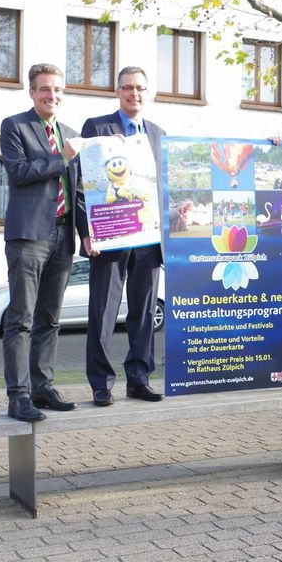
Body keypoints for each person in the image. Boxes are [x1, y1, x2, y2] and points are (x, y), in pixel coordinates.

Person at [0, 63, 84, 421]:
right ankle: (18, 396)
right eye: (45, 89)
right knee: (21, 319)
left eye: (58, 90)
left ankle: (42, 387)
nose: (52, 96)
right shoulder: (15, 127)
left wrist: (88, 234)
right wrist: (60, 157)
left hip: (63, 234)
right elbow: (19, 173)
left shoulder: (70, 133)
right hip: (29, 236)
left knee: (50, 319)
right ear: (32, 92)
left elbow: (78, 190)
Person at [79, 66, 165, 406]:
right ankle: (101, 383)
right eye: (128, 88)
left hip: (148, 236)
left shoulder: (158, 133)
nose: (135, 94)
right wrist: (86, 233)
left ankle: (139, 378)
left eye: (140, 88)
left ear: (148, 92)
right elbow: (82, 183)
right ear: (118, 91)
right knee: (102, 311)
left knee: (144, 312)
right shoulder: (97, 127)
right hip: (110, 235)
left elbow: (164, 185)